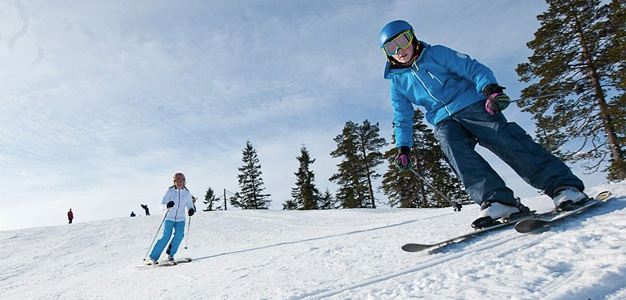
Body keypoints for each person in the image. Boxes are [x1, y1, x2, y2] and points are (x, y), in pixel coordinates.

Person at [378, 20, 587, 228]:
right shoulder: (397, 83)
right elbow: (402, 118)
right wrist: (403, 148)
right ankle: (498, 200)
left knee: (504, 139)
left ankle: (563, 187)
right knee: (450, 144)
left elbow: (470, 67)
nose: (399, 50)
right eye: (390, 47)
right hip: (442, 118)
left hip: (471, 103)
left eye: (403, 41)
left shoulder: (436, 54)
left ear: (412, 37)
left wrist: (491, 89)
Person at [148, 173, 196, 264]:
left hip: (180, 219)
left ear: (184, 182)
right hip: (169, 218)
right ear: (174, 182)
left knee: (179, 235)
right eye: (177, 181)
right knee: (166, 236)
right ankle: (152, 257)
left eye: (181, 181)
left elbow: (190, 204)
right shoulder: (170, 191)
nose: (179, 182)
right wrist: (167, 205)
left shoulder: (186, 193)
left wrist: (191, 210)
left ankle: (169, 255)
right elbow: (161, 205)